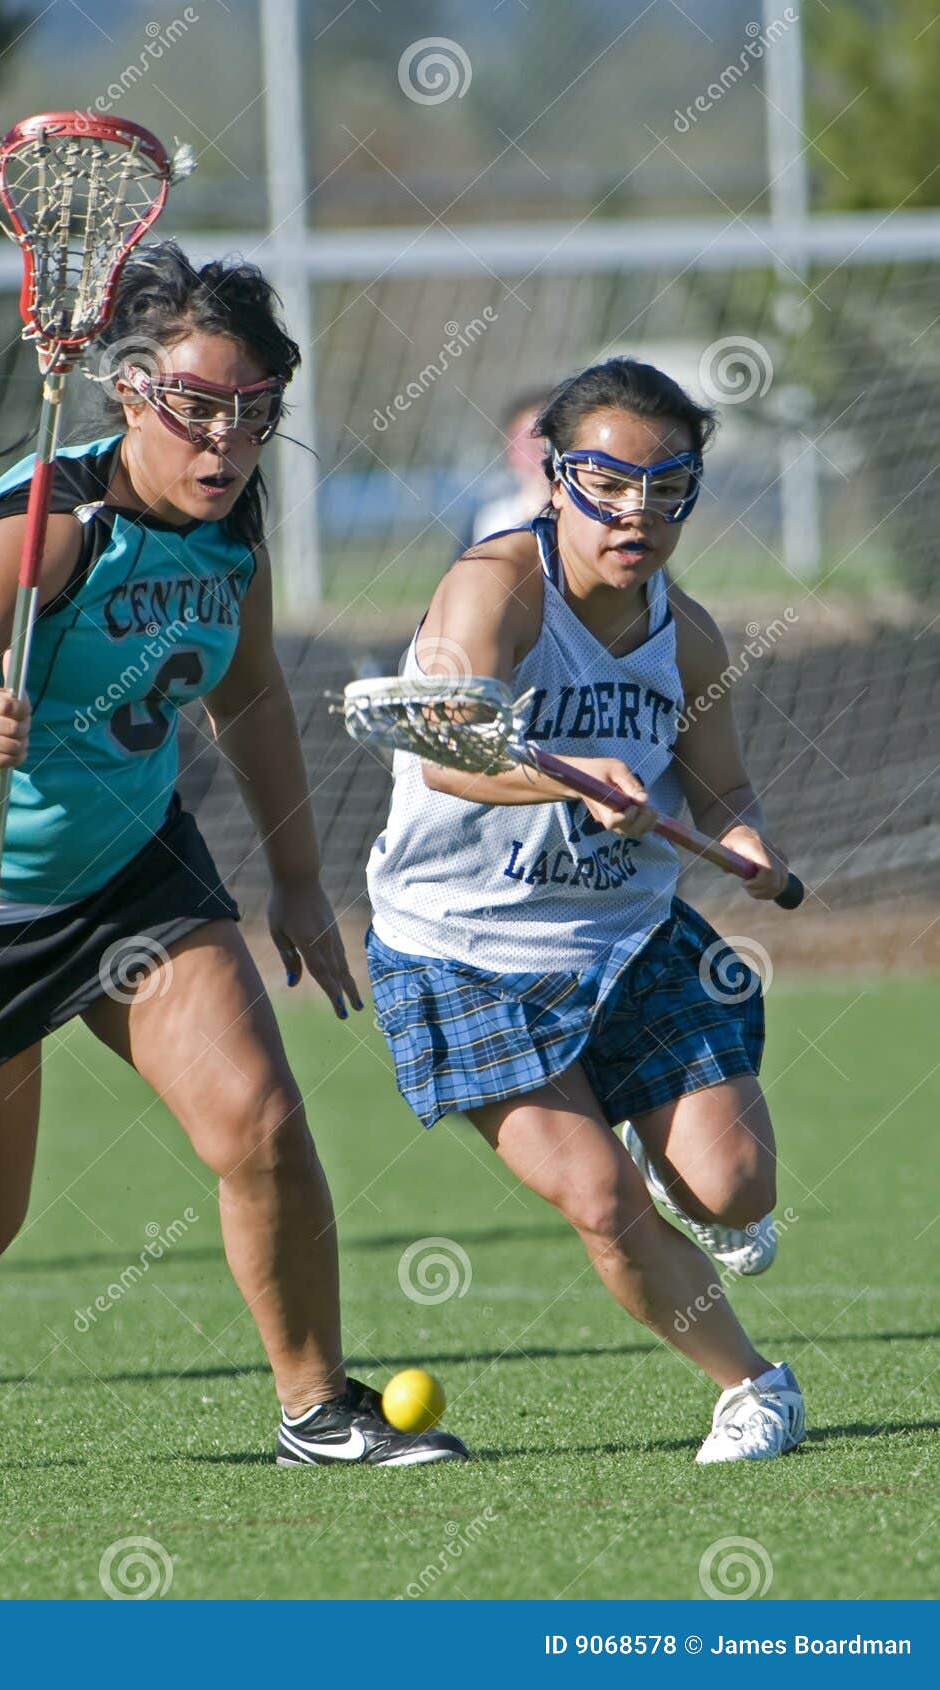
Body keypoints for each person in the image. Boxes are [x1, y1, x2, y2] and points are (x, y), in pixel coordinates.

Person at [0, 243, 467, 1468]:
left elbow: (254, 695)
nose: (225, 443)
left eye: (253, 413)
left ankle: (315, 1410)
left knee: (261, 1122)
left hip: (130, 872)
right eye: (195, 409)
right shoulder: (50, 536)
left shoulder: (234, 530)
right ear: (129, 392)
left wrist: (293, 879)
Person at [366, 356, 805, 1463]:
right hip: (459, 948)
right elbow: (446, 746)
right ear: (555, 481)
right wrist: (569, 778)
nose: (636, 512)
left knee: (734, 1184)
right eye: (605, 482)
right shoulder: (496, 588)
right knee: (600, 1200)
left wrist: (743, 836)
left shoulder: (688, 633)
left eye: (666, 487)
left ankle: (679, 1163)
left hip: (624, 933)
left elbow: (722, 789)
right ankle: (754, 1386)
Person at [467, 388, 552, 546]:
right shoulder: (490, 521)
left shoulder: (587, 517)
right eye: (527, 443)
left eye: (547, 441)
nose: (539, 452)